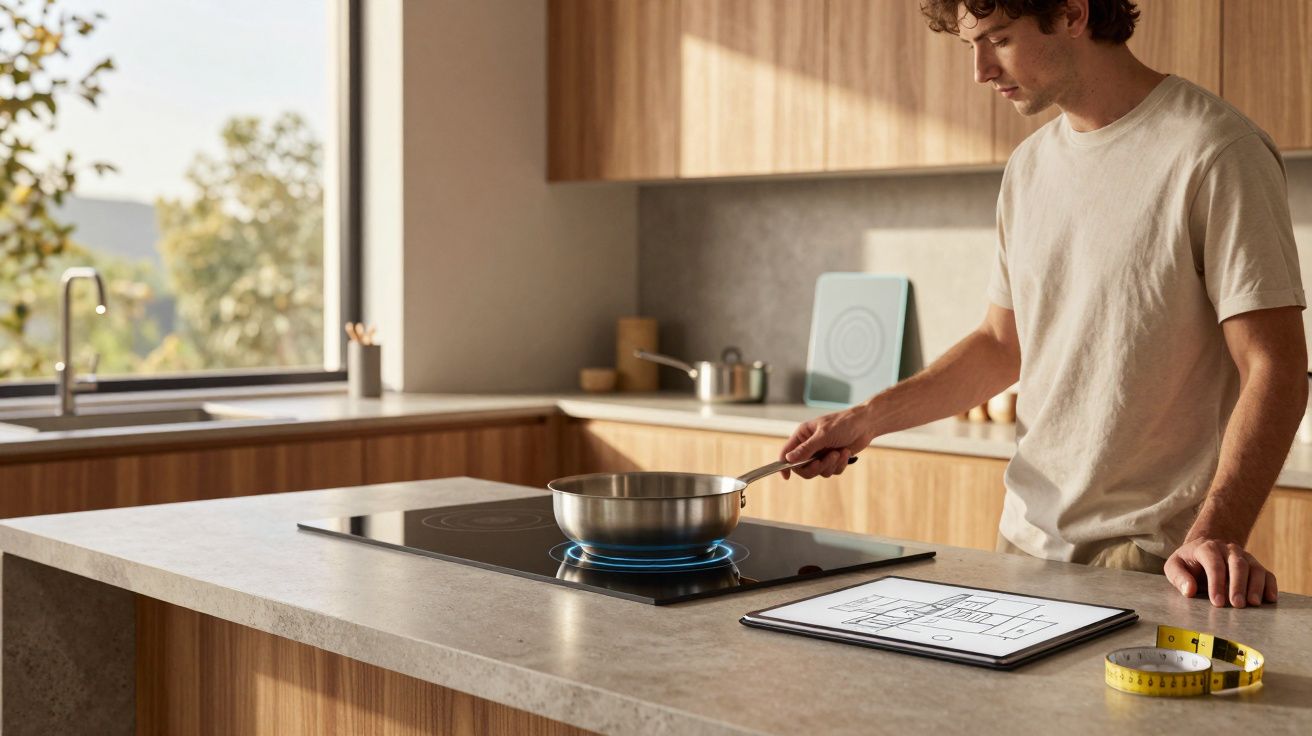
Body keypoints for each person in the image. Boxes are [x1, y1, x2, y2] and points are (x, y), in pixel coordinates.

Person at [779, 0, 1307, 608]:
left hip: (1152, 554)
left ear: (1073, 14)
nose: (980, 69)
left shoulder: (1214, 150)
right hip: (1025, 540)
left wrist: (1216, 533)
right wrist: (864, 419)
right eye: (970, 45)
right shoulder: (1029, 167)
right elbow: (1002, 346)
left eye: (998, 39)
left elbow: (1276, 367)